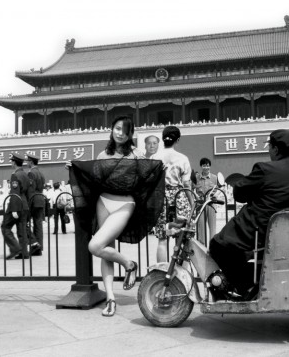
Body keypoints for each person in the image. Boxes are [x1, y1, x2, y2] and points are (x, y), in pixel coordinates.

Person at [209, 129, 289, 296]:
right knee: (235, 252)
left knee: (218, 245)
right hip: (282, 230)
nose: (269, 150)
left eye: (270, 146)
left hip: (257, 228)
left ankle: (245, 285)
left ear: (275, 149)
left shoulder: (265, 169)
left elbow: (239, 193)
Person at [86, 116, 146, 317]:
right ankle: (111, 298)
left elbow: (146, 178)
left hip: (124, 204)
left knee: (95, 246)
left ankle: (129, 264)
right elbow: (93, 178)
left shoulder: (138, 154)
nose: (120, 133)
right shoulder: (103, 154)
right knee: (105, 248)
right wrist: (74, 169)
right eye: (117, 128)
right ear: (112, 129)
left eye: (125, 130)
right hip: (103, 202)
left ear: (130, 134)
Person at [154, 125, 194, 263]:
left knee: (162, 239)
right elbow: (187, 184)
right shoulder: (182, 158)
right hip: (179, 197)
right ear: (177, 140)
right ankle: (181, 276)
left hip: (161, 198)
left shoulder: (154, 157)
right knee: (181, 237)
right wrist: (193, 203)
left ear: (162, 139)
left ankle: (161, 274)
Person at [1, 152, 31, 259]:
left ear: (14, 162)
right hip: (25, 205)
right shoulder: (26, 174)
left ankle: (15, 248)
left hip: (16, 205)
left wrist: (13, 210)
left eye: (12, 161)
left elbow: (15, 193)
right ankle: (24, 252)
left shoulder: (15, 175)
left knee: (5, 226)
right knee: (22, 229)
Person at [25, 153, 46, 256]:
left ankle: (34, 244)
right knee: (38, 224)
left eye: (27, 161)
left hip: (33, 200)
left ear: (31, 162)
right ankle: (39, 247)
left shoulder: (31, 173)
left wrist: (27, 203)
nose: (27, 163)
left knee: (24, 223)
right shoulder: (41, 173)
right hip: (41, 199)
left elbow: (30, 190)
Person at [195, 157, 218, 244]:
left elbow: (219, 190)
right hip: (200, 204)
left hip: (211, 204)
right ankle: (202, 246)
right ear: (201, 166)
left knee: (212, 226)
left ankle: (212, 246)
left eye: (208, 165)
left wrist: (215, 195)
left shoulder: (214, 178)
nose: (206, 167)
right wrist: (196, 197)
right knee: (201, 227)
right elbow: (191, 189)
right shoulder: (196, 178)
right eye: (204, 165)